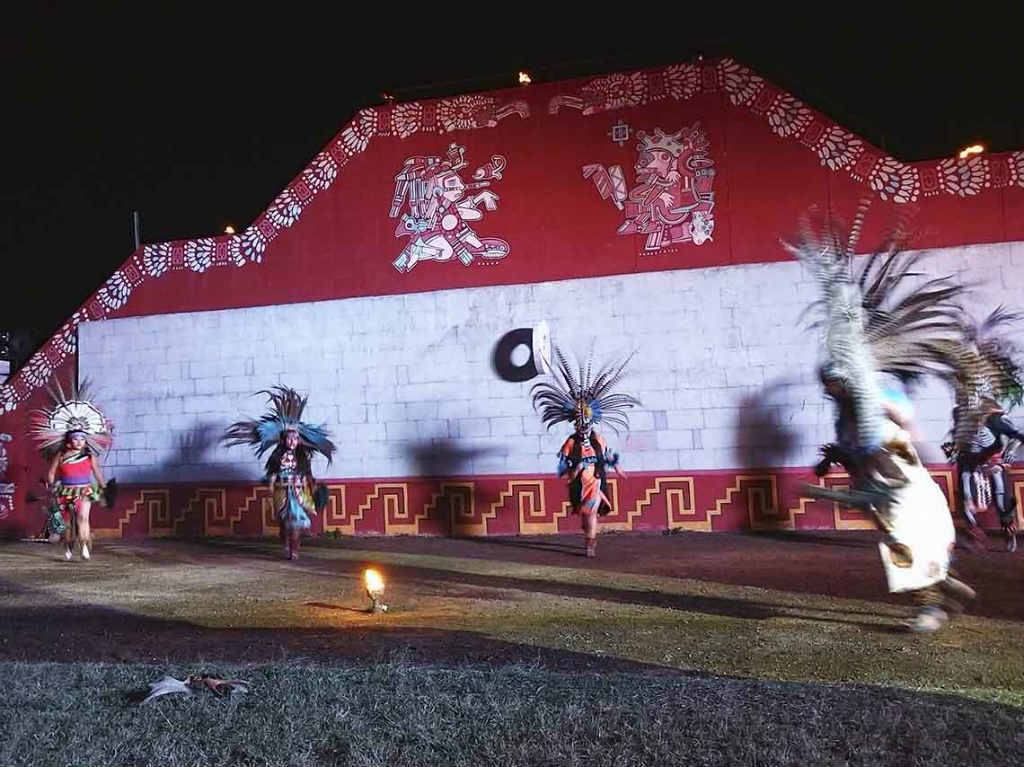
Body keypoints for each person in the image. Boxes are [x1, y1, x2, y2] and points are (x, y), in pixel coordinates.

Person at [789, 205, 975, 632]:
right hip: (887, 491)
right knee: (904, 544)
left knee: (906, 545)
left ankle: (931, 604)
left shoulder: (880, 402)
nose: (828, 390)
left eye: (833, 384)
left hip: (903, 490)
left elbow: (897, 435)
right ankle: (944, 590)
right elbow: (861, 454)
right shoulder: (851, 417)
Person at [531, 347, 639, 557]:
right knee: (585, 516)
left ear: (592, 422)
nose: (584, 427)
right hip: (579, 484)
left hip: (596, 483)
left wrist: (617, 468)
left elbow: (608, 455)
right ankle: (589, 535)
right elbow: (563, 468)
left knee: (591, 513)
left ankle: (591, 543)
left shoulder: (598, 439)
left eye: (587, 423)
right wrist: (575, 470)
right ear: (575, 425)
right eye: (580, 424)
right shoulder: (570, 443)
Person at [224, 387, 334, 560]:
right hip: (281, 492)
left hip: (298, 493)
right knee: (284, 523)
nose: (292, 441)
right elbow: (272, 474)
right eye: (289, 438)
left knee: (296, 523)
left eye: (295, 438)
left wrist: (313, 488)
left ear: (299, 440)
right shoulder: (277, 456)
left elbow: (308, 475)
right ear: (283, 439)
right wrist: (271, 484)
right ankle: (285, 542)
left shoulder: (303, 457)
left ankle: (294, 550)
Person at [29, 380, 112, 561]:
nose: (79, 442)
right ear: (69, 441)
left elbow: (97, 473)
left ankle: (84, 548)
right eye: (76, 439)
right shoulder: (60, 455)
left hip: (85, 490)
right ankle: (68, 546)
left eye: (82, 439)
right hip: (64, 490)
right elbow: (51, 472)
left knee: (83, 518)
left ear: (85, 441)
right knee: (67, 524)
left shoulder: (90, 457)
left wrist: (104, 487)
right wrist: (51, 486)